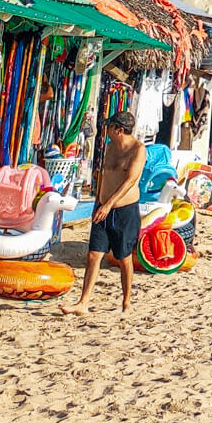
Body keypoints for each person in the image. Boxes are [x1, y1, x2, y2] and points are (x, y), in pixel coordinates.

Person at [62, 112, 145, 315]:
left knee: (124, 257)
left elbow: (130, 181)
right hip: (102, 208)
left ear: (119, 130)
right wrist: (99, 202)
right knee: (93, 255)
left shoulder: (138, 150)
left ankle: (126, 302)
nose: (106, 130)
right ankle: (83, 303)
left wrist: (109, 205)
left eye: (110, 126)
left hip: (124, 210)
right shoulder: (109, 147)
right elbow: (104, 176)